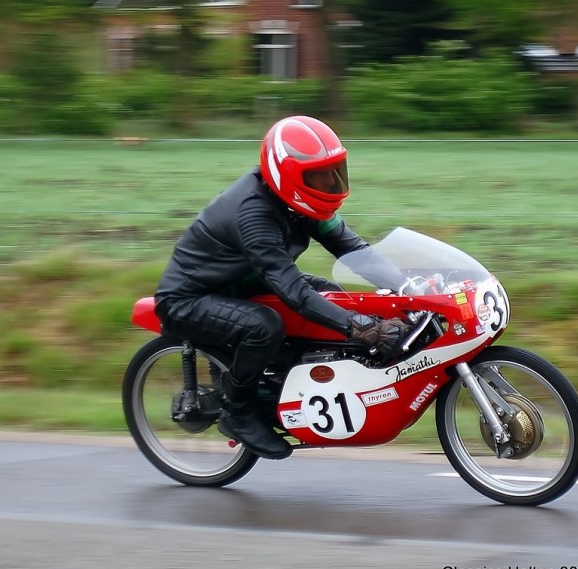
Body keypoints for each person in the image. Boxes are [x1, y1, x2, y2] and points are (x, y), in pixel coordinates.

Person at [154, 115, 411, 460]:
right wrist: (360, 326)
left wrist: (406, 285)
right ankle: (240, 412)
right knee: (265, 326)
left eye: (334, 172)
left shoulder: (299, 200)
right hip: (189, 298)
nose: (329, 183)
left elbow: (353, 249)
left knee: (332, 294)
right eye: (318, 175)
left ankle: (285, 391)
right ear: (286, 175)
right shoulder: (254, 213)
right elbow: (293, 292)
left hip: (243, 285)